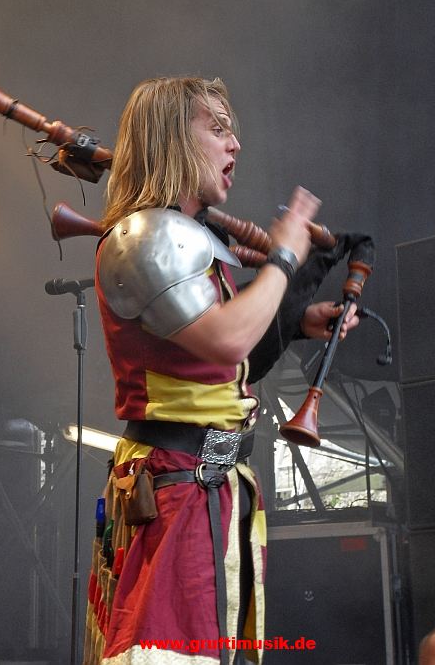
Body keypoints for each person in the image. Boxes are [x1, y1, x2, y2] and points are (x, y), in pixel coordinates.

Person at [83, 76, 359, 665]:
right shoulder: (146, 235)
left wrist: (297, 321)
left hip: (201, 483)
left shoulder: (188, 239)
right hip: (174, 483)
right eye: (217, 129)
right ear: (172, 139)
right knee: (167, 654)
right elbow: (227, 340)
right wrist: (284, 257)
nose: (235, 144)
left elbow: (224, 361)